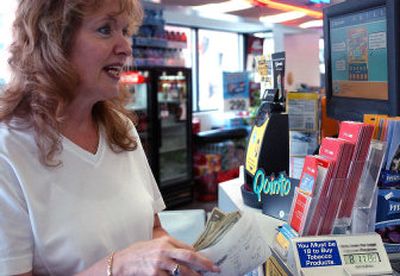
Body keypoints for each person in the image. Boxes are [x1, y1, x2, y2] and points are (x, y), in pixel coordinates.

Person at [0, 0, 220, 275]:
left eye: (125, 31)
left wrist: (174, 257)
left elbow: (152, 228)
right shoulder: (8, 150)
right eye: (105, 29)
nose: (126, 48)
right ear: (54, 41)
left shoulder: (121, 130)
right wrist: (118, 266)